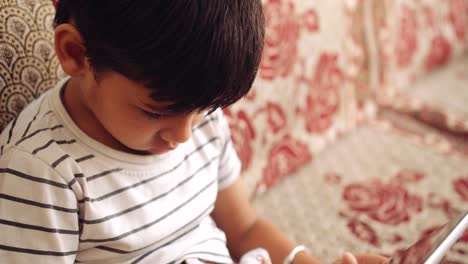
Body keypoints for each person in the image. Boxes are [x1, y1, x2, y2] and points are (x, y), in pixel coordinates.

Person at [0, 1, 389, 263]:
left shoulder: (199, 118)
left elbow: (245, 228)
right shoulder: (41, 172)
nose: (184, 136)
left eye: (206, 109)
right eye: (155, 112)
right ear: (76, 54)